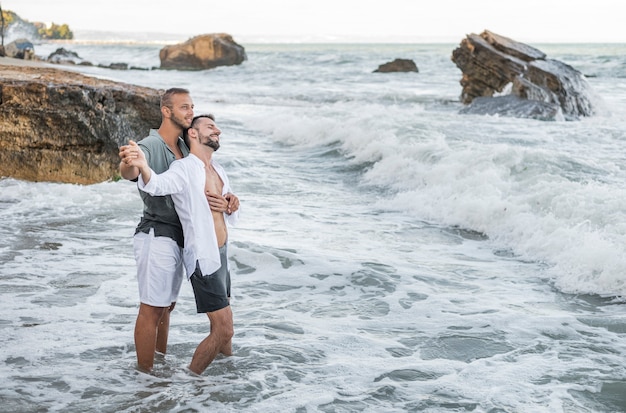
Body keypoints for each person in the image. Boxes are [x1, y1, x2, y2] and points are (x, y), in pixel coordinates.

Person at [123, 114, 240, 375]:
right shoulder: (183, 168)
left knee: (225, 335)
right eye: (210, 127)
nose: (217, 130)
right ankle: (192, 380)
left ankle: (226, 385)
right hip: (204, 258)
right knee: (224, 328)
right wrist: (142, 166)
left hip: (222, 255)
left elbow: (226, 209)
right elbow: (157, 184)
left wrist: (232, 203)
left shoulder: (218, 169)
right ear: (194, 134)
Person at [118, 87, 194, 372]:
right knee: (151, 309)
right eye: (184, 107)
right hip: (156, 235)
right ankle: (145, 379)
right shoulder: (149, 144)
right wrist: (130, 162)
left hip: (179, 237)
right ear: (166, 111)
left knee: (166, 308)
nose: (191, 112)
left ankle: (158, 366)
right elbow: (131, 171)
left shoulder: (185, 146)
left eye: (192, 106)